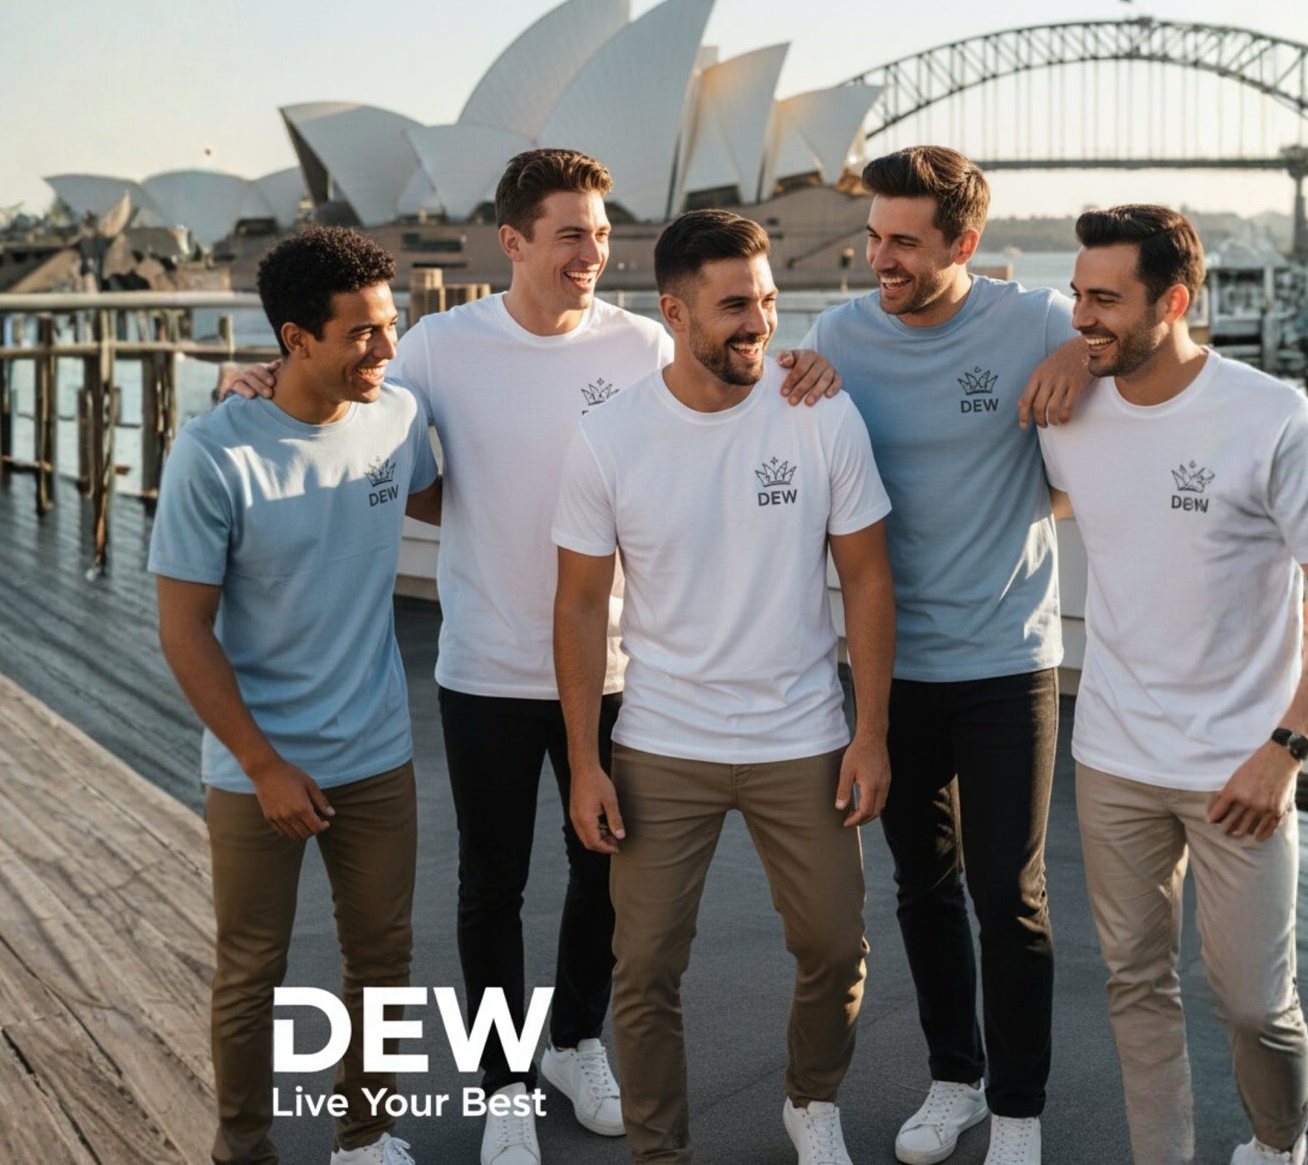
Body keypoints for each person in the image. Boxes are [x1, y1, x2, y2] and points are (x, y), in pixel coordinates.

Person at [224, 149, 839, 1165]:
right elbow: (364, 427)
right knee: (491, 885)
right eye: (569, 235)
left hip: (615, 668)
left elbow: (732, 398)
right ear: (512, 242)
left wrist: (808, 366)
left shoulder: (644, 341)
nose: (592, 252)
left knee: (606, 870)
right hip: (485, 666)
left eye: (601, 233)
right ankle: (504, 1085)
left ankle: (573, 1043)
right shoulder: (435, 348)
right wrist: (259, 377)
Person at [553, 209, 895, 1165]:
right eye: (736, 305)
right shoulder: (610, 437)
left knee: (834, 948)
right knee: (646, 967)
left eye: (771, 302)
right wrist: (585, 761)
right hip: (664, 739)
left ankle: (810, 1099)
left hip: (805, 736)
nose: (761, 323)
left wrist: (871, 734)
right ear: (673, 311)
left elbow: (867, 577)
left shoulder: (819, 409)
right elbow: (580, 606)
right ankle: (661, 1151)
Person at [1038, 205, 1308, 1165]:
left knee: (1254, 1003)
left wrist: (1290, 745)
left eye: (1105, 299)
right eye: (1076, 296)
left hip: (1243, 766)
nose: (1082, 316)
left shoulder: (1269, 415)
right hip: (1111, 759)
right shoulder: (1071, 413)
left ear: (1174, 301)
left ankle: (1279, 1147)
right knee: (1136, 984)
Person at [800, 145, 1085, 1165]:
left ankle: (1018, 1110)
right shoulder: (838, 334)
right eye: (874, 238)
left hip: (1008, 663)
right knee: (922, 889)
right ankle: (954, 1081)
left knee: (1010, 895)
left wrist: (1079, 354)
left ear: (963, 244)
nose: (881, 258)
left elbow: (1145, 339)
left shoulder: (1038, 322)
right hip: (891, 669)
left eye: (905, 243)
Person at [150, 226, 440, 1165]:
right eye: (361, 334)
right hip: (255, 767)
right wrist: (263, 764)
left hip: (377, 749)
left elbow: (457, 493)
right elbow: (183, 629)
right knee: (253, 974)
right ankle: (243, 1146)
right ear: (294, 338)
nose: (386, 350)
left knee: (383, 965)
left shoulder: (397, 419)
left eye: (390, 327)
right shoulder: (215, 454)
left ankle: (367, 1137)